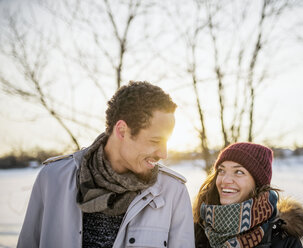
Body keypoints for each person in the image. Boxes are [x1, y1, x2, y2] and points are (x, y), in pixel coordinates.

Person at [17, 81, 195, 248]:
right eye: (155, 140)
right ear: (122, 130)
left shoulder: (173, 192)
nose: (163, 154)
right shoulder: (53, 179)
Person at [193, 142, 303, 248]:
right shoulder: (198, 227)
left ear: (257, 184)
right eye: (221, 170)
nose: (225, 180)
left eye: (239, 172)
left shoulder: (283, 240)